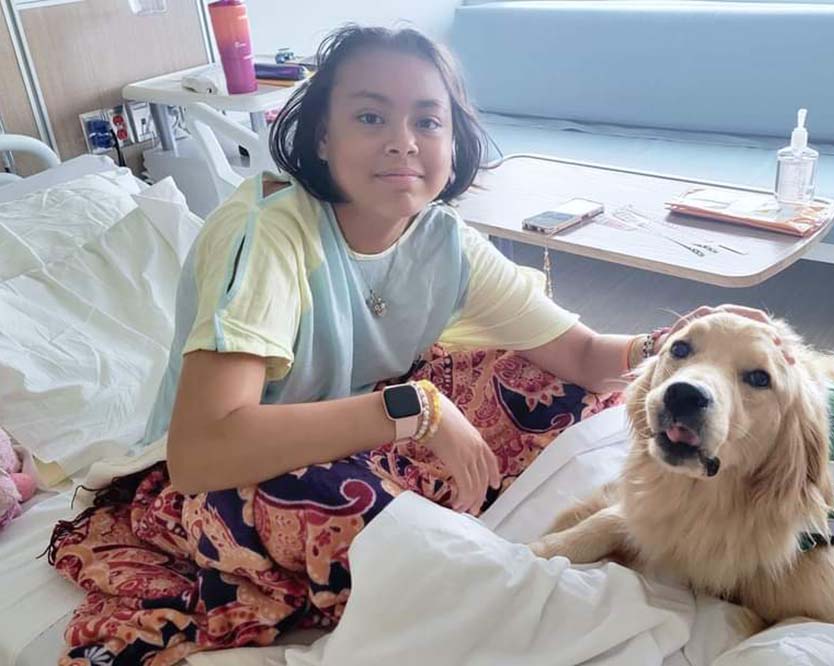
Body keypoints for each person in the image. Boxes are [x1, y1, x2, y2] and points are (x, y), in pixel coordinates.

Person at [48, 25, 766, 665]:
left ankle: (435, 531)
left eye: (429, 121)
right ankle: (478, 570)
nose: (404, 141)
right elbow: (204, 451)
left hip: (360, 434)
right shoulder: (271, 234)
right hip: (220, 479)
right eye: (370, 117)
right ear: (323, 138)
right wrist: (415, 408)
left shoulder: (443, 240)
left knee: (552, 388)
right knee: (358, 514)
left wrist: (675, 346)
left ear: (453, 144)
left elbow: (580, 357)